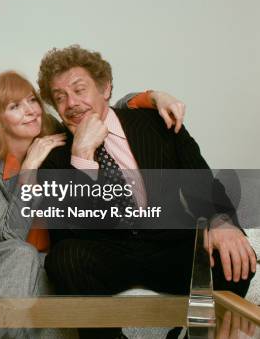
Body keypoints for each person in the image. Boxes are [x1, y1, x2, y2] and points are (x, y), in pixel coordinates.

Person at [38, 45, 257, 339]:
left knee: (235, 252)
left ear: (105, 88)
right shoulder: (55, 155)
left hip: (168, 246)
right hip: (109, 254)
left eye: (79, 90)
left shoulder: (157, 123)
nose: (71, 103)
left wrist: (220, 222)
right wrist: (82, 155)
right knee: (64, 258)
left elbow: (200, 181)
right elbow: (70, 233)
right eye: (60, 97)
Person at [0, 70, 186, 297]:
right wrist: (29, 168)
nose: (31, 111)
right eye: (15, 106)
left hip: (40, 246)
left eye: (32, 101)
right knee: (21, 256)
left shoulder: (51, 130)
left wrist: (154, 97)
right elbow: (11, 235)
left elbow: (102, 107)